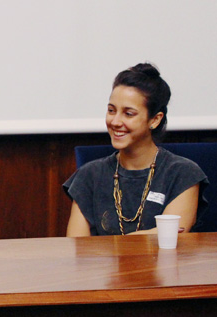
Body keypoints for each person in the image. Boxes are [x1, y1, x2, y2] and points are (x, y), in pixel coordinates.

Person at [63, 63, 208, 236]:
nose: (115, 121)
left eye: (128, 114)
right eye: (111, 110)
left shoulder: (183, 173)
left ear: (155, 120)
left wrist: (115, 246)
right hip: (100, 265)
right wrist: (149, 236)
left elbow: (172, 239)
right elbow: (77, 247)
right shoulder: (89, 175)